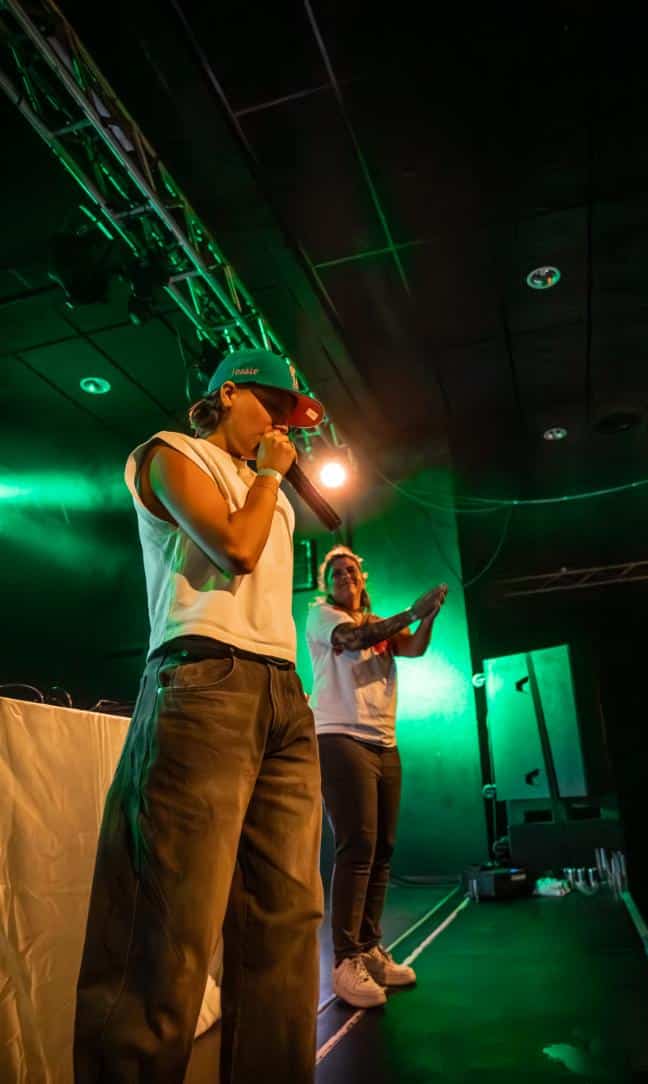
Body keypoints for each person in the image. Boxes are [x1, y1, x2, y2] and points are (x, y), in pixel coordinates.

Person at [74, 348, 324, 1084]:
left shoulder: (271, 494)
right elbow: (234, 549)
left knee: (284, 924)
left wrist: (267, 478)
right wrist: (270, 474)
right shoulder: (170, 454)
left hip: (284, 692)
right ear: (231, 392)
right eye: (272, 407)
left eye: (290, 418)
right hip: (204, 679)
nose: (282, 427)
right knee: (170, 921)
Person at [305, 545, 447, 1008]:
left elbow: (413, 647)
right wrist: (413, 611)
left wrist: (427, 618)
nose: (345, 576)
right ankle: (345, 961)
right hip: (340, 737)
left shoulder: (382, 623)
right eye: (336, 572)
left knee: (383, 847)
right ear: (327, 585)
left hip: (383, 741)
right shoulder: (323, 616)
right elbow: (353, 640)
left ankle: (368, 948)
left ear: (362, 578)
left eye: (351, 570)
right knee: (358, 845)